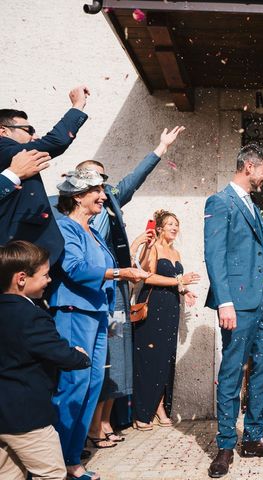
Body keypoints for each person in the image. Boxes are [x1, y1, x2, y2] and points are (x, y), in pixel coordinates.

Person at [64, 126, 184, 447]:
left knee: (114, 357)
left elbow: (134, 178)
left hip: (115, 293)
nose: (105, 188)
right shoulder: (71, 219)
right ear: (81, 187)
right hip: (92, 289)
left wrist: (160, 148)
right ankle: (89, 427)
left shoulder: (110, 203)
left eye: (105, 182)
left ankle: (104, 421)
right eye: (96, 182)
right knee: (90, 361)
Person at [49, 169, 148, 480]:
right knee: (73, 386)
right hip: (73, 312)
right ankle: (59, 461)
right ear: (78, 196)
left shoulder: (91, 229)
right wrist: (121, 274)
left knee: (92, 386)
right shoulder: (66, 227)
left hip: (95, 313)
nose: (104, 197)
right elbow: (74, 269)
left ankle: (72, 457)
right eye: (97, 191)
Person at [204, 143, 263, 479]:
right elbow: (214, 255)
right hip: (238, 303)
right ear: (249, 166)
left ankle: (254, 438)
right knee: (232, 372)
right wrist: (224, 301)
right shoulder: (220, 201)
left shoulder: (253, 206)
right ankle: (226, 443)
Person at [0, 241, 91, 480]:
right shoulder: (31, 316)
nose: (49, 280)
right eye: (45, 275)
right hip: (27, 417)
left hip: (4, 417)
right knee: (51, 473)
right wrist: (80, 357)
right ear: (21, 278)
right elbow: (57, 352)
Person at [0, 86, 90, 265]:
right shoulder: (4, 149)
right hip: (21, 258)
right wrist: (78, 105)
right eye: (29, 130)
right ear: (3, 132)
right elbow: (57, 141)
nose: (35, 136)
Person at [131, 209, 199, 430]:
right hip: (154, 307)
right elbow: (146, 275)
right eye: (169, 223)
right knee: (150, 360)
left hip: (171, 307)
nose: (174, 227)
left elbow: (174, 280)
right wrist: (179, 279)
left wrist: (184, 290)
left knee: (165, 360)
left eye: (176, 224)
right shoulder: (153, 248)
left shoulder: (176, 253)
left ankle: (160, 408)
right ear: (159, 227)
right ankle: (142, 412)